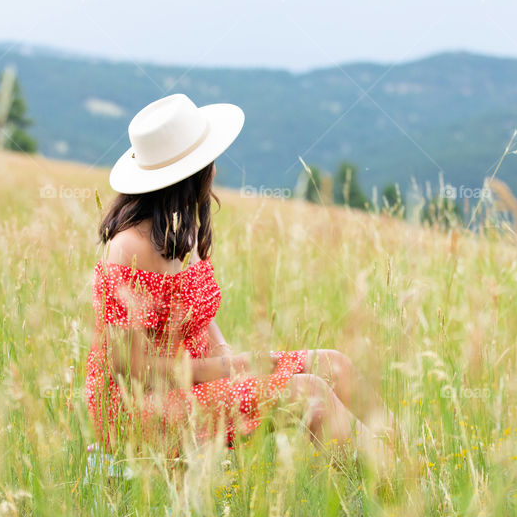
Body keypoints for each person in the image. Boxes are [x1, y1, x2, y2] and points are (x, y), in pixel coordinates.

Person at [83, 93, 400, 473]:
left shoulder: (177, 228)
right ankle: (385, 490)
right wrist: (232, 367)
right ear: (195, 173)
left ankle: (411, 469)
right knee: (309, 392)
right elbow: (132, 369)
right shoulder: (126, 248)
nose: (215, 170)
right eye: (209, 162)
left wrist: (228, 355)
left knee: (335, 365)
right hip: (145, 405)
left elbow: (196, 311)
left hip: (200, 377)